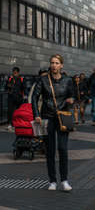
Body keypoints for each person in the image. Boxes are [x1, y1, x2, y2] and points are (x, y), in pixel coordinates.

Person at [32, 54, 74, 191]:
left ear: (61, 65)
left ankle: (64, 180)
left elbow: (72, 95)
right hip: (47, 117)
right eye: (52, 63)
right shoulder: (43, 80)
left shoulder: (68, 80)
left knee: (62, 149)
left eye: (56, 63)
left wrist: (71, 100)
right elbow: (34, 97)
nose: (54, 65)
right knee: (49, 150)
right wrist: (36, 115)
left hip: (63, 117)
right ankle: (52, 181)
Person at [6, 67, 25, 131]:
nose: (15, 74)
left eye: (16, 72)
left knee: (18, 112)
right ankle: (10, 124)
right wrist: (8, 87)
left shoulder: (21, 79)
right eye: (14, 72)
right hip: (11, 97)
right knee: (10, 111)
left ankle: (17, 123)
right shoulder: (10, 79)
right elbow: (6, 87)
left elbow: (24, 88)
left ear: (18, 73)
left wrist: (23, 96)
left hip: (19, 98)